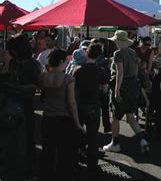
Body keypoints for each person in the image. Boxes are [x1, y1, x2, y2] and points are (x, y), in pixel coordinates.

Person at [38, 49, 85, 181]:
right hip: (63, 118)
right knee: (64, 152)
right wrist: (77, 123)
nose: (67, 62)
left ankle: (45, 175)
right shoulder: (68, 79)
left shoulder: (43, 76)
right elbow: (72, 103)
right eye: (66, 60)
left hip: (47, 117)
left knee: (48, 149)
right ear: (61, 61)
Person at [103, 30, 150, 153]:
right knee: (130, 115)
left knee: (116, 116)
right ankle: (142, 140)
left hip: (123, 86)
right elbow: (135, 70)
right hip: (133, 85)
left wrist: (117, 90)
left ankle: (115, 143)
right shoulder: (133, 52)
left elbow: (120, 72)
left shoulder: (118, 53)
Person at [5, 34, 41, 179]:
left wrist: (16, 88)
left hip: (25, 107)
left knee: (27, 139)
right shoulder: (12, 62)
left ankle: (29, 171)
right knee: (11, 141)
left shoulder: (33, 64)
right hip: (9, 106)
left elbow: (36, 86)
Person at [74, 43, 108, 177]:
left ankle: (75, 160)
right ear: (99, 56)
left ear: (86, 53)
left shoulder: (78, 70)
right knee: (93, 137)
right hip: (94, 105)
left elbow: (73, 89)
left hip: (79, 104)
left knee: (77, 133)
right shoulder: (101, 71)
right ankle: (92, 166)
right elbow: (105, 90)